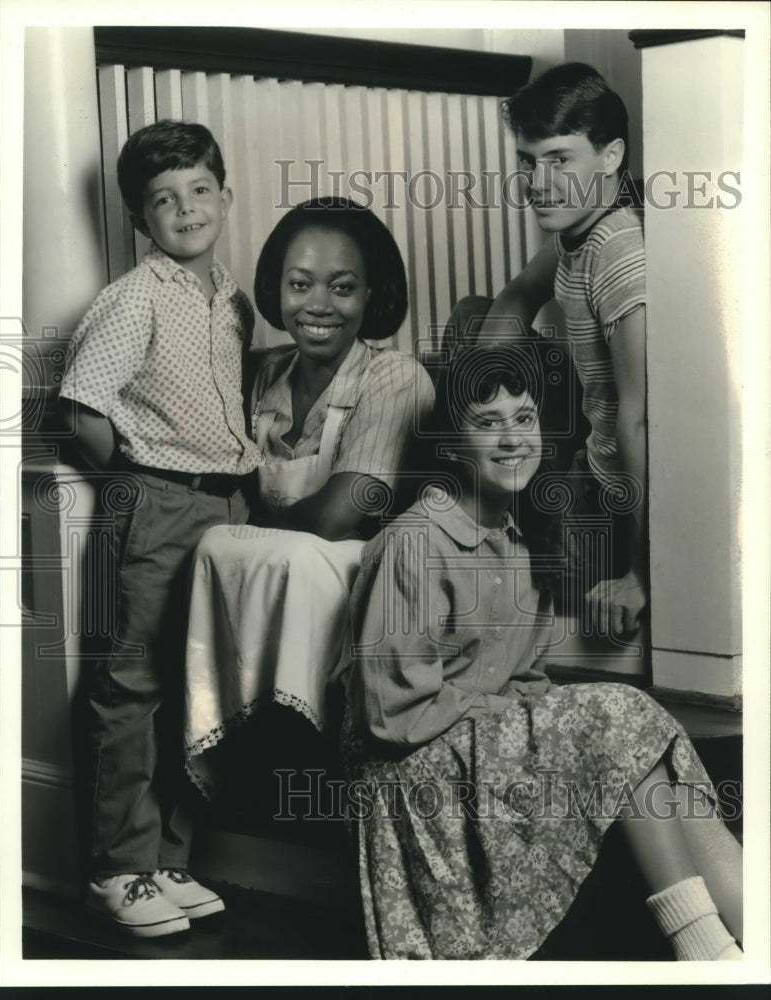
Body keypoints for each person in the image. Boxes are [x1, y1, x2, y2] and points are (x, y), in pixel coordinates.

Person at [338, 345, 742, 961]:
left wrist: (540, 721)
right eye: (487, 422)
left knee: (636, 733)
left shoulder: (525, 545)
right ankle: (706, 950)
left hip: (476, 754)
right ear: (451, 443)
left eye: (523, 419)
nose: (511, 439)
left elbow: (525, 681)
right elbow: (390, 713)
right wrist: (522, 720)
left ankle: (749, 932)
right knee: (617, 715)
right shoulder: (416, 542)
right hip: (412, 778)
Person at [57, 120, 263, 937]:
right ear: (141, 220)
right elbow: (82, 410)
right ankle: (118, 868)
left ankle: (168, 858)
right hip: (152, 501)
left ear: (225, 196)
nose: (185, 210)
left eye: (199, 191)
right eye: (163, 200)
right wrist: (139, 480)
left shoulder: (233, 301)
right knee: (130, 687)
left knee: (193, 688)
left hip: (225, 505)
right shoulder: (134, 296)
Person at [183, 197, 435, 796]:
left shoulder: (394, 376)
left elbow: (344, 514)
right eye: (300, 285)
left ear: (372, 295)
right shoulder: (261, 373)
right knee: (212, 544)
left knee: (264, 550)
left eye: (342, 287)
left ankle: (304, 754)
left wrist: (248, 524)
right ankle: (240, 756)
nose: (318, 306)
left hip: (362, 580)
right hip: (270, 570)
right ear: (277, 288)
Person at [445, 62, 647, 636]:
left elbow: (641, 421)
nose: (538, 182)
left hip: (616, 492)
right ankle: (475, 511)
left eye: (560, 160)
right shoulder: (577, 232)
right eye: (529, 163)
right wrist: (479, 386)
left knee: (527, 627)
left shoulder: (619, 253)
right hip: (583, 452)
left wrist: (643, 572)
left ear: (610, 156)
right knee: (472, 314)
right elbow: (516, 298)